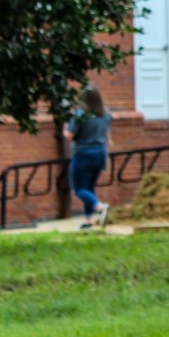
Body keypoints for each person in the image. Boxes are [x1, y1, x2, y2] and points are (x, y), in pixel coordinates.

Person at [63, 85, 113, 229]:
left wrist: (65, 128)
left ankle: (99, 207)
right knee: (89, 187)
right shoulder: (106, 114)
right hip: (100, 153)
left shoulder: (80, 115)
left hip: (83, 153)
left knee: (79, 189)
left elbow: (70, 135)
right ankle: (88, 220)